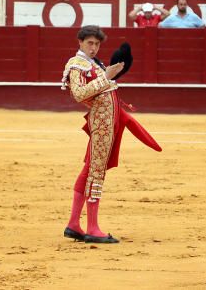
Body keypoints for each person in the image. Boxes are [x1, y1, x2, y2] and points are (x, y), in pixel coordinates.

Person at [61, 25, 161, 244]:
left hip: (107, 123)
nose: (94, 48)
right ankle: (92, 227)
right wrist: (106, 76)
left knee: (89, 169)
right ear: (80, 42)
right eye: (90, 43)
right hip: (101, 125)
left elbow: (102, 90)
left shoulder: (94, 64)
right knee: (96, 172)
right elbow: (78, 94)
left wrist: (110, 74)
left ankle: (74, 224)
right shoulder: (76, 64)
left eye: (97, 44)